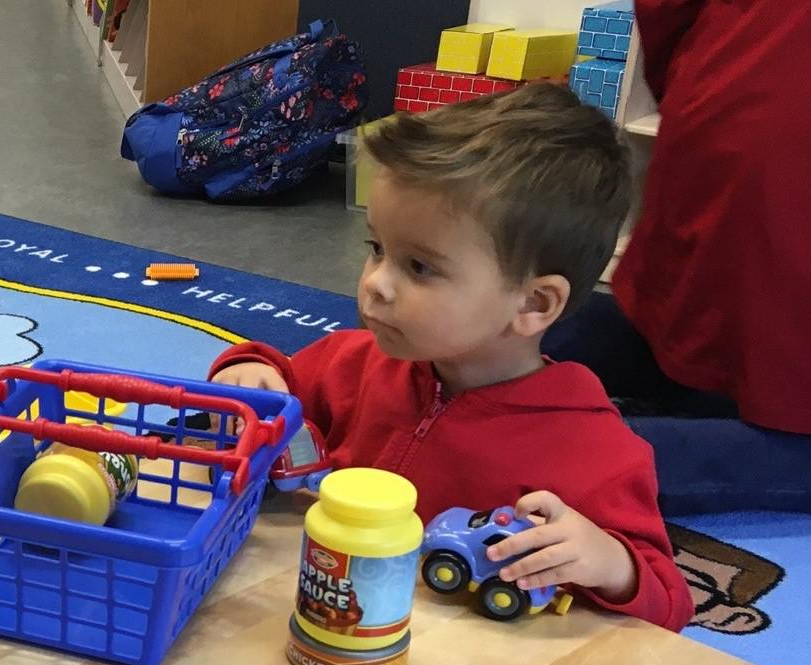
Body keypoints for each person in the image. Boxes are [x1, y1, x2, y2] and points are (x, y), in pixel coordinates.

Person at [211, 82, 692, 631]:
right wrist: (249, 371)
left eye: (419, 267)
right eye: (377, 249)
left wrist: (610, 563)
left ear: (534, 303)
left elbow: (668, 601)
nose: (376, 285)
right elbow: (274, 381)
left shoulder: (596, 452)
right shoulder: (356, 360)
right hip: (324, 617)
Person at [541, 0, 811, 516]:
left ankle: (449, 365)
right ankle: (531, 447)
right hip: (766, 141)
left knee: (670, 338)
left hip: (724, 93)